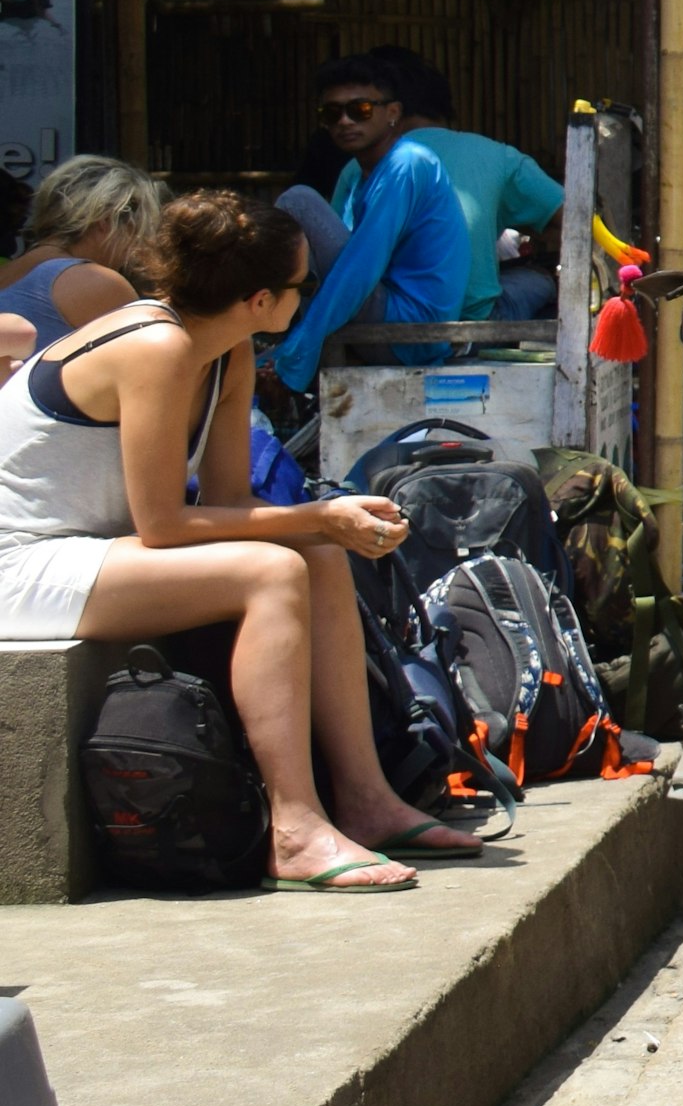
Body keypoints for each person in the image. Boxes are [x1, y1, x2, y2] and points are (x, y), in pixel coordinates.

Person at [0, 192, 477, 888]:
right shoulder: (156, 346)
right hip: (21, 563)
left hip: (87, 549)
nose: (304, 298)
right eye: (300, 287)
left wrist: (328, 520)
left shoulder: (224, 351)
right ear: (260, 299)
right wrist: (317, 516)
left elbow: (228, 501)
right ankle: (294, 829)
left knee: (313, 554)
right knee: (271, 571)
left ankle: (368, 800)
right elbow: (163, 525)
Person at [269, 56, 469, 393]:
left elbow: (358, 270)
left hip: (407, 331)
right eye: (332, 114)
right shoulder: (362, 174)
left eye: (359, 110)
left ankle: (276, 334)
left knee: (298, 201)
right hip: (387, 318)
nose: (344, 121)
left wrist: (295, 356)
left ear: (392, 113)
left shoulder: (407, 163)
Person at [339, 60, 561, 323]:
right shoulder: (496, 157)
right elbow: (576, 220)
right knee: (540, 278)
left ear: (392, 112)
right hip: (465, 321)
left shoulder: (359, 168)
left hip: (390, 317)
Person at [0, 156, 162, 360]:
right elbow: (151, 370)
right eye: (137, 229)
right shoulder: (96, 283)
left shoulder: (9, 271)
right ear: (106, 220)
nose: (136, 247)